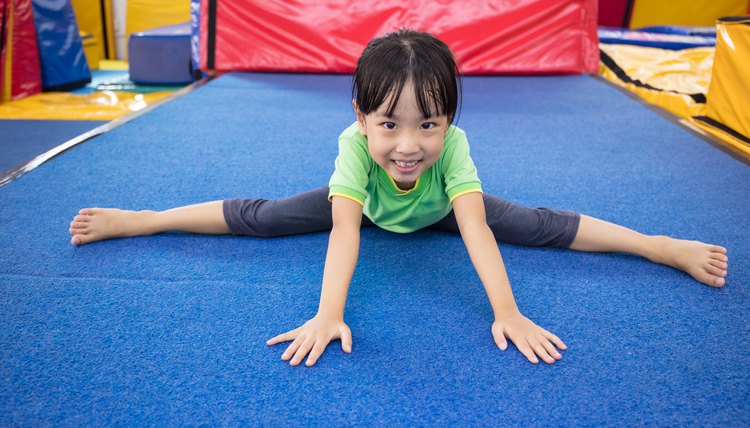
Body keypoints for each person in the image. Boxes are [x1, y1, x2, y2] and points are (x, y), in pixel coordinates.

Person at [68, 29, 729, 367]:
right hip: (365, 207)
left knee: (536, 224)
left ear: (449, 121)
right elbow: (346, 233)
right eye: (389, 124)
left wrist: (510, 312)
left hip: (436, 212)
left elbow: (476, 229)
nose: (408, 145)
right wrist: (328, 314)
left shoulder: (454, 153)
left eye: (429, 125)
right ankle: (142, 219)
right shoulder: (354, 151)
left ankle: (660, 246)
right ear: (360, 116)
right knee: (263, 217)